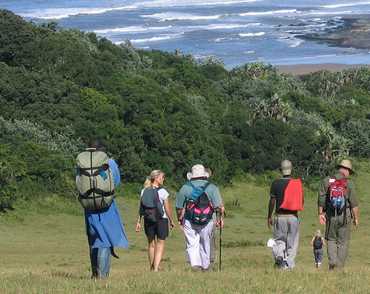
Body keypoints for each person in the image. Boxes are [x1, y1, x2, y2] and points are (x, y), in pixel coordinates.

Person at [77, 141, 129, 279]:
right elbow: (115, 182)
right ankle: (102, 277)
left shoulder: (83, 162)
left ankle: (94, 274)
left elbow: (79, 182)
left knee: (93, 239)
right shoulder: (109, 162)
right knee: (104, 240)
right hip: (107, 206)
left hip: (89, 206)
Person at [176, 164, 224, 271]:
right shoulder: (212, 188)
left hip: (189, 219)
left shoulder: (185, 188)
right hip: (208, 220)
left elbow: (179, 207)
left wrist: (180, 219)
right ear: (204, 175)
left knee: (192, 243)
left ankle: (195, 266)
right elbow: (219, 207)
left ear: (191, 176)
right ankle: (206, 267)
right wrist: (220, 219)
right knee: (205, 242)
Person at [318, 159, 359, 270]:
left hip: (331, 214)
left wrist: (320, 213)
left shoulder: (327, 180)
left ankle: (332, 262)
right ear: (346, 170)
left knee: (331, 239)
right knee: (343, 241)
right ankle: (339, 267)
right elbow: (354, 203)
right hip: (345, 214)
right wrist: (356, 218)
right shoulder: (349, 183)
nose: (349, 174)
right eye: (349, 171)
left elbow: (321, 198)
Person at [136, 170, 175, 272]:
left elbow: (141, 208)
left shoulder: (144, 191)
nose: (163, 179)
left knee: (151, 243)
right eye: (162, 177)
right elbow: (167, 209)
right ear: (157, 178)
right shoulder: (163, 192)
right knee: (160, 243)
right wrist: (171, 220)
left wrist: (139, 221)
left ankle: (152, 266)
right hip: (161, 219)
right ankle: (156, 268)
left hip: (148, 219)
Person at [267, 160, 303, 270]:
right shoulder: (297, 183)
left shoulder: (276, 183)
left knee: (279, 240)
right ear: (291, 169)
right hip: (293, 216)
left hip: (280, 216)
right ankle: (289, 265)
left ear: (281, 170)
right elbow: (302, 201)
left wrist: (269, 216)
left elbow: (272, 200)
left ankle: (279, 256)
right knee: (292, 242)